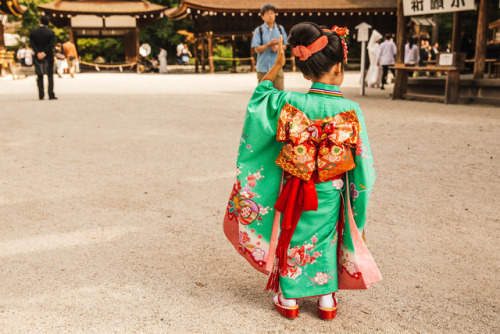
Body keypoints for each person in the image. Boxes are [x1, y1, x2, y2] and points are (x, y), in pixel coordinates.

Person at [223, 23, 379, 320]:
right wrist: (359, 195)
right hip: (332, 190)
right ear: (338, 69)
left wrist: (276, 64)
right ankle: (326, 298)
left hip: (294, 187)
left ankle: (289, 297)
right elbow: (364, 167)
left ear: (305, 71)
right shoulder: (352, 110)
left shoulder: (289, 101)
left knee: (292, 233)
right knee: (329, 236)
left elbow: (259, 98)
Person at [251, 3, 288, 90]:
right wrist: (268, 45)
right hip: (262, 69)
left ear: (275, 15)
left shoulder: (280, 28)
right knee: (263, 95)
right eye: (267, 13)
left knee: (279, 95)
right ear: (262, 16)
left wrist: (279, 48)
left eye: (272, 13)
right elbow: (256, 49)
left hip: (278, 68)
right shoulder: (258, 30)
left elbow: (285, 46)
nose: (270, 16)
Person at [30, 15, 56, 100]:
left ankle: (41, 94)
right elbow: (51, 44)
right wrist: (44, 53)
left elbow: (32, 44)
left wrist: (38, 53)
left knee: (40, 75)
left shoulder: (34, 32)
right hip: (48, 56)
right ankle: (51, 94)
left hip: (38, 57)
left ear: (40, 21)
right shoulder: (51, 32)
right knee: (50, 76)